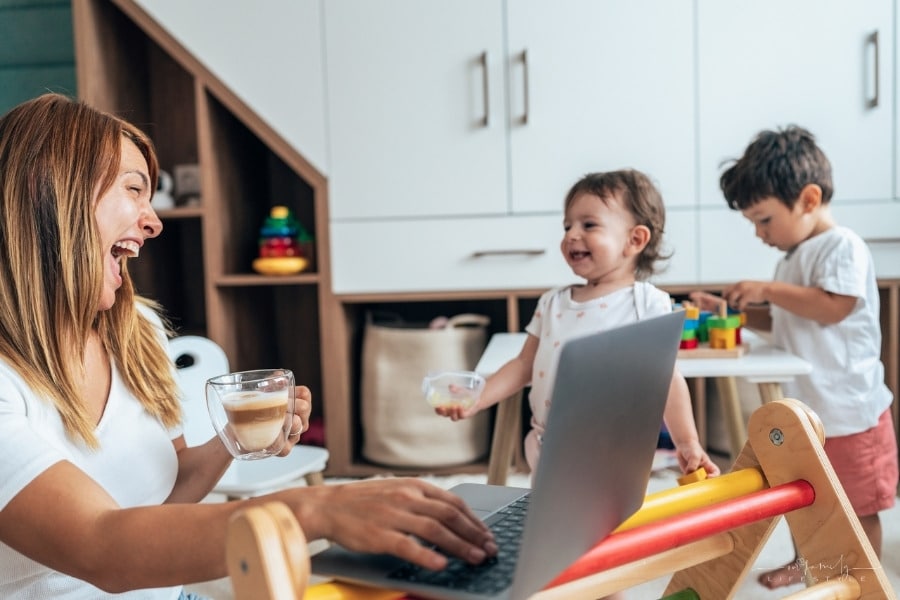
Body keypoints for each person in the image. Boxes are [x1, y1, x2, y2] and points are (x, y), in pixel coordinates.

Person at [0, 93, 496, 599]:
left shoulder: (137, 330)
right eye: (133, 189)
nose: (154, 222)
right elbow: (100, 546)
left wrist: (236, 438)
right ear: (50, 193)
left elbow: (165, 500)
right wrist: (316, 509)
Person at [690, 125, 898, 590]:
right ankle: (812, 565)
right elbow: (789, 319)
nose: (760, 234)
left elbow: (833, 306)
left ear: (807, 199)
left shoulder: (842, 246)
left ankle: (865, 580)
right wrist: (739, 315)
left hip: (851, 412)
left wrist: (766, 289)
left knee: (858, 508)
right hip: (811, 410)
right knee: (810, 499)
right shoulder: (792, 257)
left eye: (764, 220)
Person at [436, 170, 720, 482]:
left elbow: (666, 378)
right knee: (552, 522)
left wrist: (687, 441)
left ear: (635, 239)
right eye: (567, 226)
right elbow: (523, 364)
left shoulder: (647, 303)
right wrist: (479, 396)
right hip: (547, 445)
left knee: (606, 526)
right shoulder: (552, 303)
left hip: (614, 449)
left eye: (588, 225)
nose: (571, 234)